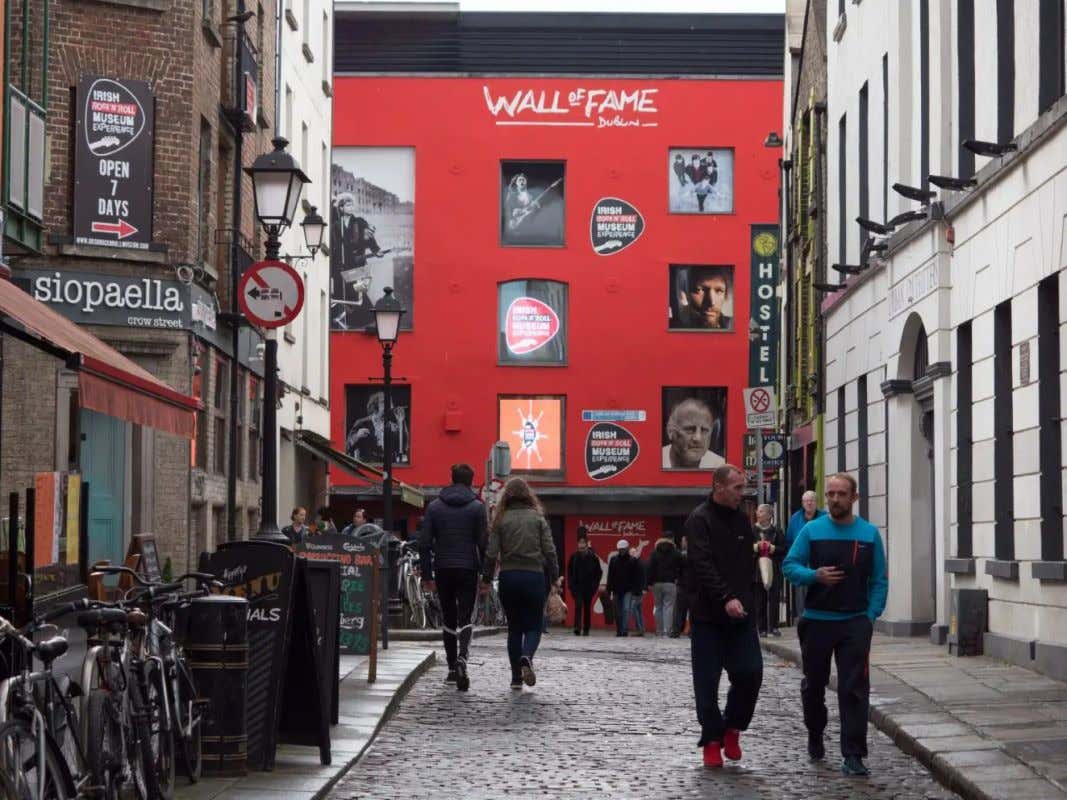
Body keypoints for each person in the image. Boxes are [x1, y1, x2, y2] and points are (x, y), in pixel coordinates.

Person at [783, 473, 888, 777]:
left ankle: (853, 754)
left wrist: (870, 615)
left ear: (854, 497)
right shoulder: (812, 531)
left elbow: (879, 579)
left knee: (854, 688)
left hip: (855, 622)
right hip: (817, 621)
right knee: (814, 685)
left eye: (842, 494)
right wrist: (814, 575)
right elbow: (789, 565)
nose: (835, 499)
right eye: (830, 494)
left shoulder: (868, 534)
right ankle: (815, 732)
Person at [684, 464, 763, 769]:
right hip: (708, 615)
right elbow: (702, 564)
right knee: (707, 681)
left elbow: (746, 565)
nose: (742, 494)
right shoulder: (699, 520)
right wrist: (725, 597)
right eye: (737, 488)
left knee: (751, 673)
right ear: (718, 487)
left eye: (743, 487)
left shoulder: (742, 519)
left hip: (741, 614)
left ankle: (733, 726)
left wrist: (747, 599)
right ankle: (712, 740)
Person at [481, 477, 559, 689]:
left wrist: (486, 578)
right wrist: (554, 577)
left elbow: (491, 553)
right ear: (528, 495)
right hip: (534, 577)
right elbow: (550, 550)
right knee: (534, 625)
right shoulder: (537, 518)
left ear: (507, 496)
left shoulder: (501, 519)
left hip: (509, 577)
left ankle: (516, 678)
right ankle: (527, 656)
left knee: (514, 628)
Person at [419, 463, 489, 692]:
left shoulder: (435, 507)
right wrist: (486, 575)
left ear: (451, 478)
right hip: (468, 567)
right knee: (465, 616)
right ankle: (462, 658)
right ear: (471, 481)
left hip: (443, 567)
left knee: (448, 617)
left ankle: (451, 669)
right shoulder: (477, 508)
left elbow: (424, 543)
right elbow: (484, 544)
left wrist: (427, 575)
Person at [785, 490, 826, 620]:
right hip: (801, 561)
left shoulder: (825, 517)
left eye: (811, 500)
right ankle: (802, 618)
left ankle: (819, 617)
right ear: (802, 503)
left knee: (819, 588)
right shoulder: (795, 518)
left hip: (819, 560)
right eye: (806, 501)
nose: (809, 503)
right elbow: (789, 540)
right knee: (801, 590)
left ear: (816, 503)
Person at [346, 391, 409, 464]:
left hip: (390, 466)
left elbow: (404, 446)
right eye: (384, 402)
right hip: (369, 466)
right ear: (375, 405)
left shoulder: (393, 424)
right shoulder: (362, 422)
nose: (389, 406)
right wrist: (357, 436)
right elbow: (346, 447)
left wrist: (401, 422)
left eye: (390, 402)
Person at [662, 398, 724, 470]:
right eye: (690, 429)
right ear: (670, 431)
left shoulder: (720, 466)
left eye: (704, 430)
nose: (698, 438)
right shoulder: (654, 460)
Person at [752, 504, 785, 638]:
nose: (758, 513)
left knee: (774, 599)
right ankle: (761, 628)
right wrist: (756, 547)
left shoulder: (777, 531)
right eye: (758, 511)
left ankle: (774, 627)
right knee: (760, 600)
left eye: (761, 511)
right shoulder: (752, 530)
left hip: (774, 569)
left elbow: (783, 549)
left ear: (769, 515)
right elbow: (743, 548)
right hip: (757, 570)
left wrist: (772, 548)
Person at [566, 528, 602, 636]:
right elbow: (570, 572)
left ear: (586, 544)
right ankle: (577, 627)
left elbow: (598, 572)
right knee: (578, 605)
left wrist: (594, 586)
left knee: (586, 608)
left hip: (589, 587)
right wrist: (571, 585)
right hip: (577, 587)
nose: (581, 545)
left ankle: (586, 628)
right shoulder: (574, 557)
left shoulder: (593, 557)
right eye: (579, 543)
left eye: (583, 543)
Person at [646, 534, 682, 637]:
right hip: (670, 583)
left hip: (656, 583)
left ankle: (659, 631)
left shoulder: (654, 552)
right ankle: (667, 631)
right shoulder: (676, 553)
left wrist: (648, 583)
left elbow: (650, 568)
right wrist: (678, 577)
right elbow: (682, 566)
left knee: (658, 607)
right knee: (669, 607)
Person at [606, 539, 641, 637]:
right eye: (620, 549)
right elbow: (610, 575)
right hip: (616, 589)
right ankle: (619, 629)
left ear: (627, 549)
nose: (621, 551)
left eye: (623, 549)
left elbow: (636, 576)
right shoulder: (614, 560)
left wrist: (636, 589)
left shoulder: (632, 560)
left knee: (626, 609)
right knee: (617, 611)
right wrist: (609, 589)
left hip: (628, 590)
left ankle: (624, 630)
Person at [671, 534, 690, 637]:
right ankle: (691, 631)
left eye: (683, 541)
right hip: (691, 585)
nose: (681, 543)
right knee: (692, 610)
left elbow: (677, 569)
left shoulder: (680, 555)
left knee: (679, 610)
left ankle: (676, 631)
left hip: (683, 585)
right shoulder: (697, 553)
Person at [627, 553, 647, 636]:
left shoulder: (636, 564)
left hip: (636, 591)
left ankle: (639, 629)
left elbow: (640, 577)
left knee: (633, 608)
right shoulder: (641, 563)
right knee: (638, 610)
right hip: (639, 590)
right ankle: (642, 628)